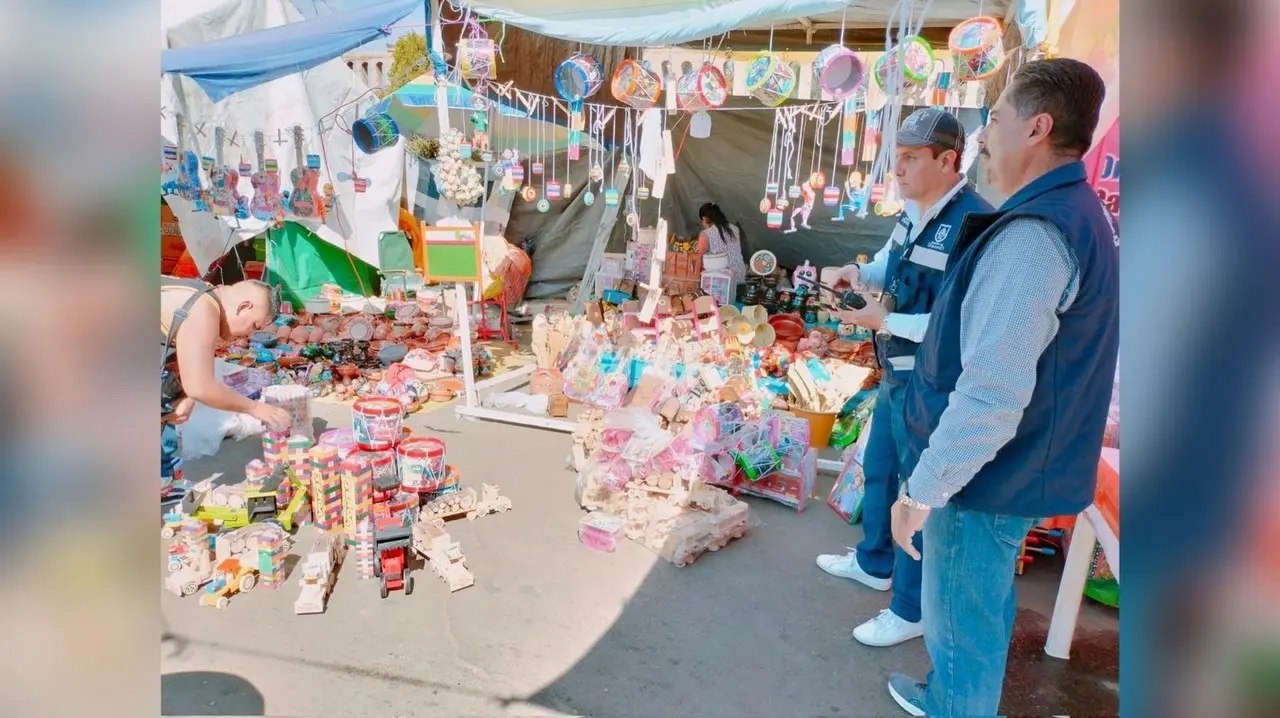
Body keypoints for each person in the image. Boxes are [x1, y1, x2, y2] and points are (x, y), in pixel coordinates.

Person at [883, 59, 1118, 716]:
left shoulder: (1037, 234)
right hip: (1010, 469)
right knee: (972, 609)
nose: (984, 137)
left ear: (1037, 127)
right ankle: (946, 694)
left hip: (991, 476)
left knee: (963, 618)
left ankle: (954, 703)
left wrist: (921, 491)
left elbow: (991, 394)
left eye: (995, 120)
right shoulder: (1067, 212)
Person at [815, 108, 993, 649]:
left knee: (915, 496)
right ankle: (873, 563)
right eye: (898, 158)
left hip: (935, 382)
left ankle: (910, 608)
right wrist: (857, 272)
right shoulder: (914, 210)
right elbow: (892, 261)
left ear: (948, 160)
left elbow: (961, 322)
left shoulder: (975, 224)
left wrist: (884, 320)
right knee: (879, 468)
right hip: (894, 369)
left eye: (911, 159)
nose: (899, 169)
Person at [161, 277, 292, 493]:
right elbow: (201, 386)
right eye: (254, 325)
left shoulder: (202, 294)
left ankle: (164, 483)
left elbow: (193, 368)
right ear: (244, 307)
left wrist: (189, 396)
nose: (249, 334)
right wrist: (256, 408)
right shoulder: (203, 310)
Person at [695, 202, 746, 286]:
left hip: (721, 283)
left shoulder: (706, 234)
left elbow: (698, 258)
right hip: (740, 277)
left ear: (704, 218)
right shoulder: (735, 229)